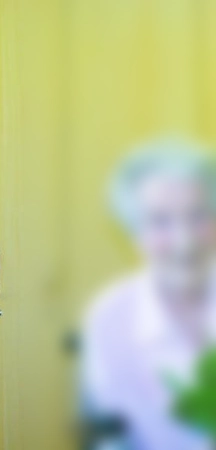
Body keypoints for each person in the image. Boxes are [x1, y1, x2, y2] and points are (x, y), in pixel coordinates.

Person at [81, 140, 216, 450]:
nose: (183, 240)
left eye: (197, 216)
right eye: (160, 221)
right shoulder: (112, 317)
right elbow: (112, 438)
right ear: (135, 233)